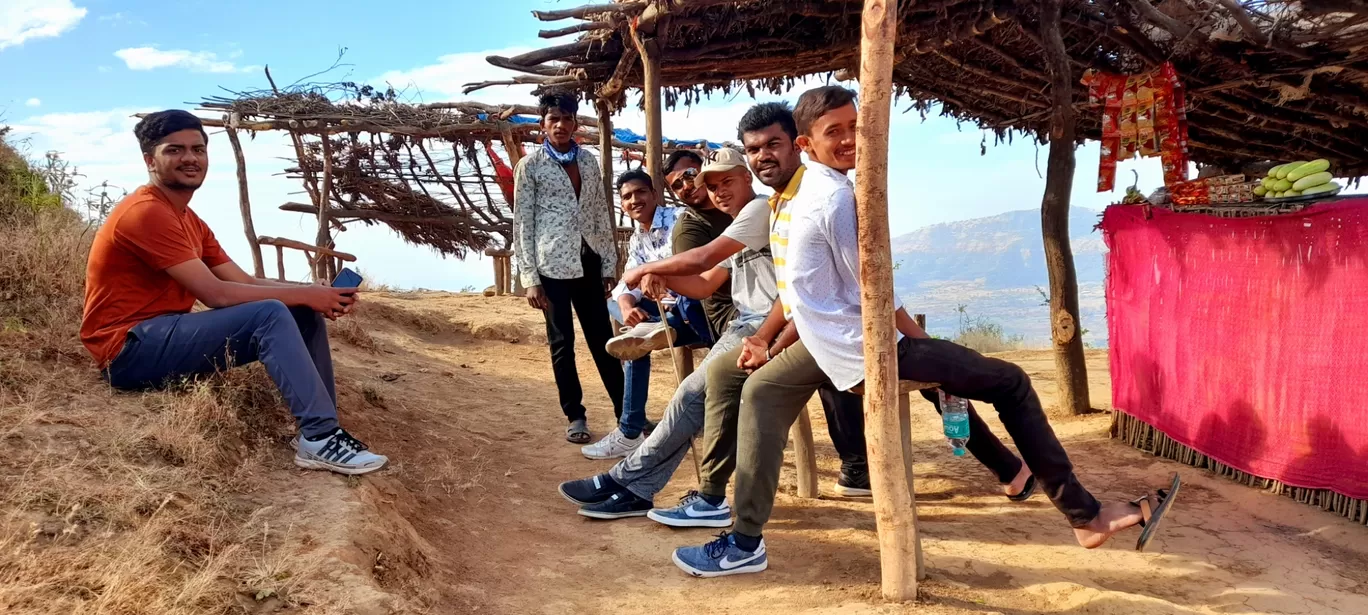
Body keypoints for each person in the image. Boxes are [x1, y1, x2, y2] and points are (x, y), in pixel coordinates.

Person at [670, 86, 1178, 578]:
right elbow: (874, 292)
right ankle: (1087, 518)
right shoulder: (835, 198)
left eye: (855, 128)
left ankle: (743, 542)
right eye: (835, 132)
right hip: (860, 347)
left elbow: (806, 293)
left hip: (825, 345)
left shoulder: (798, 199)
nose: (849, 140)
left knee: (761, 390)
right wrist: (913, 346)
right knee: (1013, 383)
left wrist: (769, 343)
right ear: (809, 144)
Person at [80, 109, 387, 475]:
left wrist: (309, 292)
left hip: (164, 334)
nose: (190, 158)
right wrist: (302, 295)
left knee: (297, 310)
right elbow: (216, 294)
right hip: (128, 352)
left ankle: (322, 429)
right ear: (150, 159)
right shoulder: (145, 213)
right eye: (174, 150)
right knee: (271, 312)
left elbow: (245, 280)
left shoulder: (190, 221)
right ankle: (320, 438)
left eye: (198, 149)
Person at [558, 148, 770, 519]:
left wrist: (646, 270)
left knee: (692, 396)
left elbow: (702, 261)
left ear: (746, 177)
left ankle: (633, 480)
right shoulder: (735, 223)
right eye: (713, 185)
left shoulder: (757, 211)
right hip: (743, 321)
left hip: (759, 324)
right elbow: (704, 283)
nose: (718, 192)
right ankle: (633, 485)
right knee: (687, 396)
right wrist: (662, 276)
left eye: (727, 182)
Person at [513, 93, 623, 445]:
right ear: (542, 124)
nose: (560, 125)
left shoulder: (589, 162)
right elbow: (523, 223)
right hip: (551, 266)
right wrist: (530, 278)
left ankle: (626, 413)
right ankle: (575, 415)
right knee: (562, 342)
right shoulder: (530, 166)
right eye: (553, 119)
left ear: (576, 122)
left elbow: (600, 213)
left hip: (588, 259)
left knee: (603, 339)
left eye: (567, 118)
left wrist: (608, 261)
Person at [582, 170, 713, 459]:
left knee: (635, 342)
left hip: (696, 310)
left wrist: (654, 273)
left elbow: (697, 265)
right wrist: (628, 305)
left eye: (640, 192)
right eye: (627, 196)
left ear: (654, 193)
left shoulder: (681, 219)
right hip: (664, 311)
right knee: (620, 312)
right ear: (622, 204)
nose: (634, 200)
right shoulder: (638, 239)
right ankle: (646, 330)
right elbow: (625, 284)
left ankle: (630, 431)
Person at [663, 150, 735, 341]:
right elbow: (699, 284)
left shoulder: (738, 204)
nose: (686, 185)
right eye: (677, 185)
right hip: (731, 312)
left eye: (690, 174)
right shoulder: (688, 228)